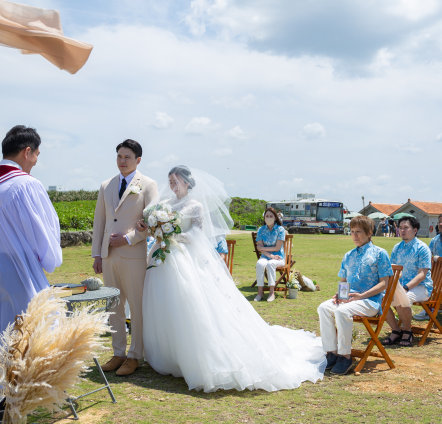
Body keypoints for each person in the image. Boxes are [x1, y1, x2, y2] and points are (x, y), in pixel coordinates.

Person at [136, 166, 326, 391]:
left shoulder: (195, 206)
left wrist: (172, 234)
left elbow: (198, 235)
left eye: (175, 181)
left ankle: (195, 357)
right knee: (163, 303)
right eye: (169, 181)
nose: (172, 185)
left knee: (188, 302)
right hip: (162, 260)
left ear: (187, 182)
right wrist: (154, 229)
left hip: (185, 259)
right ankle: (168, 354)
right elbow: (150, 226)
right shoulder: (164, 205)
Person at [0, 126, 63, 424]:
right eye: (36, 155)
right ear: (27, 151)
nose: (35, 161)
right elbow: (45, 239)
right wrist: (50, 260)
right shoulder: (25, 185)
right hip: (19, 271)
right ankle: (15, 410)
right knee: (25, 337)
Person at [91, 139, 158, 376]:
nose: (122, 161)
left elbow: (153, 222)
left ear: (138, 160)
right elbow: (100, 222)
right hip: (109, 256)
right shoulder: (106, 185)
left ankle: (134, 355)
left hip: (134, 255)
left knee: (136, 307)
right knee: (113, 306)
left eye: (127, 157)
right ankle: (118, 352)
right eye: (119, 156)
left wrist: (129, 239)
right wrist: (97, 253)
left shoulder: (149, 185)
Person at [317, 215, 392, 375]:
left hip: (370, 302)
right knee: (323, 307)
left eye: (358, 231)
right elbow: (344, 281)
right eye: (352, 231)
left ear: (369, 232)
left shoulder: (380, 253)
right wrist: (340, 295)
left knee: (341, 311)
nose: (355, 235)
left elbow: (384, 284)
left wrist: (361, 296)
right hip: (350, 300)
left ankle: (345, 356)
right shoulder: (348, 255)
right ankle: (331, 352)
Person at [381, 216, 433, 347]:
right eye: (400, 228)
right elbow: (391, 270)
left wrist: (405, 288)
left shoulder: (422, 248)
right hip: (399, 286)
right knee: (380, 298)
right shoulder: (397, 248)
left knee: (401, 298)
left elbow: (422, 274)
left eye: (406, 228)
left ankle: (408, 331)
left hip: (421, 287)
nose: (402, 231)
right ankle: (396, 330)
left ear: (415, 230)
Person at [254, 207, 286, 302]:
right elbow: (260, 248)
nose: (268, 218)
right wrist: (271, 256)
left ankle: (271, 293)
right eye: (266, 216)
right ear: (264, 218)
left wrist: (262, 248)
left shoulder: (280, 229)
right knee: (260, 264)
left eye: (271, 216)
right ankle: (260, 292)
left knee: (271, 264)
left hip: (279, 258)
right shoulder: (261, 229)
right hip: (266, 256)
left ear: (275, 217)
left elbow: (277, 248)